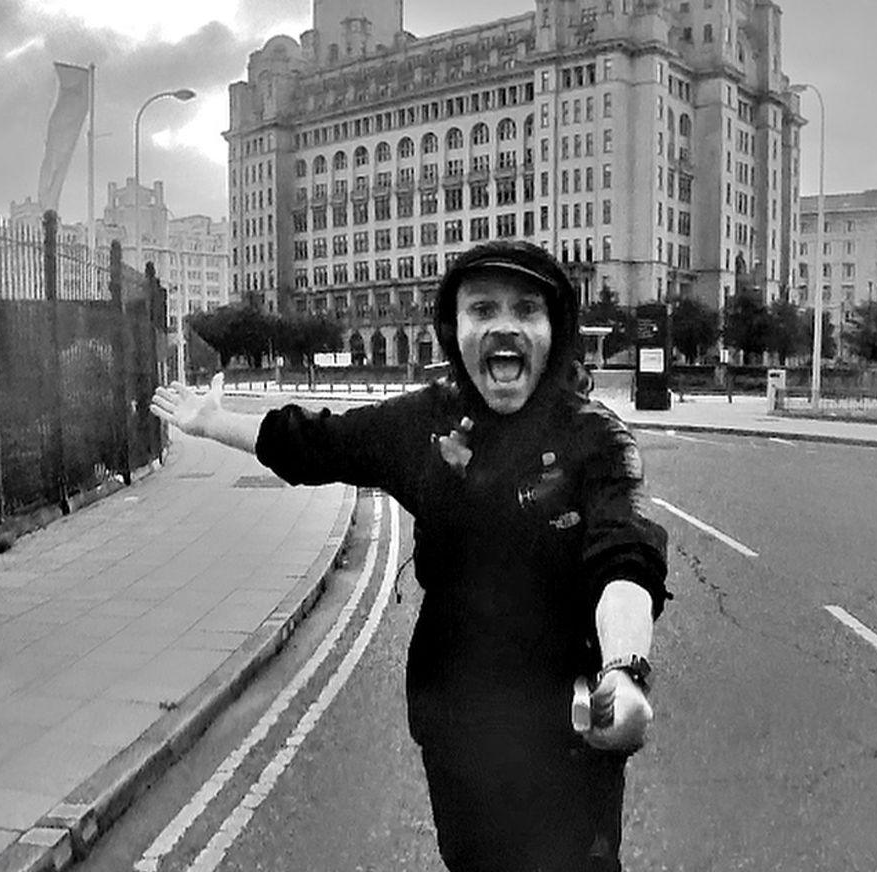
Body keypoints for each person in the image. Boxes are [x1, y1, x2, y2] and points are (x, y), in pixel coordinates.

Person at [152, 240, 669, 871]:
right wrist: (214, 424)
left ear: (554, 332)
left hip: (568, 732)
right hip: (457, 729)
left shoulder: (595, 437)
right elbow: (320, 443)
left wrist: (626, 669)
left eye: (526, 309)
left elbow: (625, 554)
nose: (504, 325)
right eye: (482, 309)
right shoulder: (426, 422)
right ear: (455, 331)